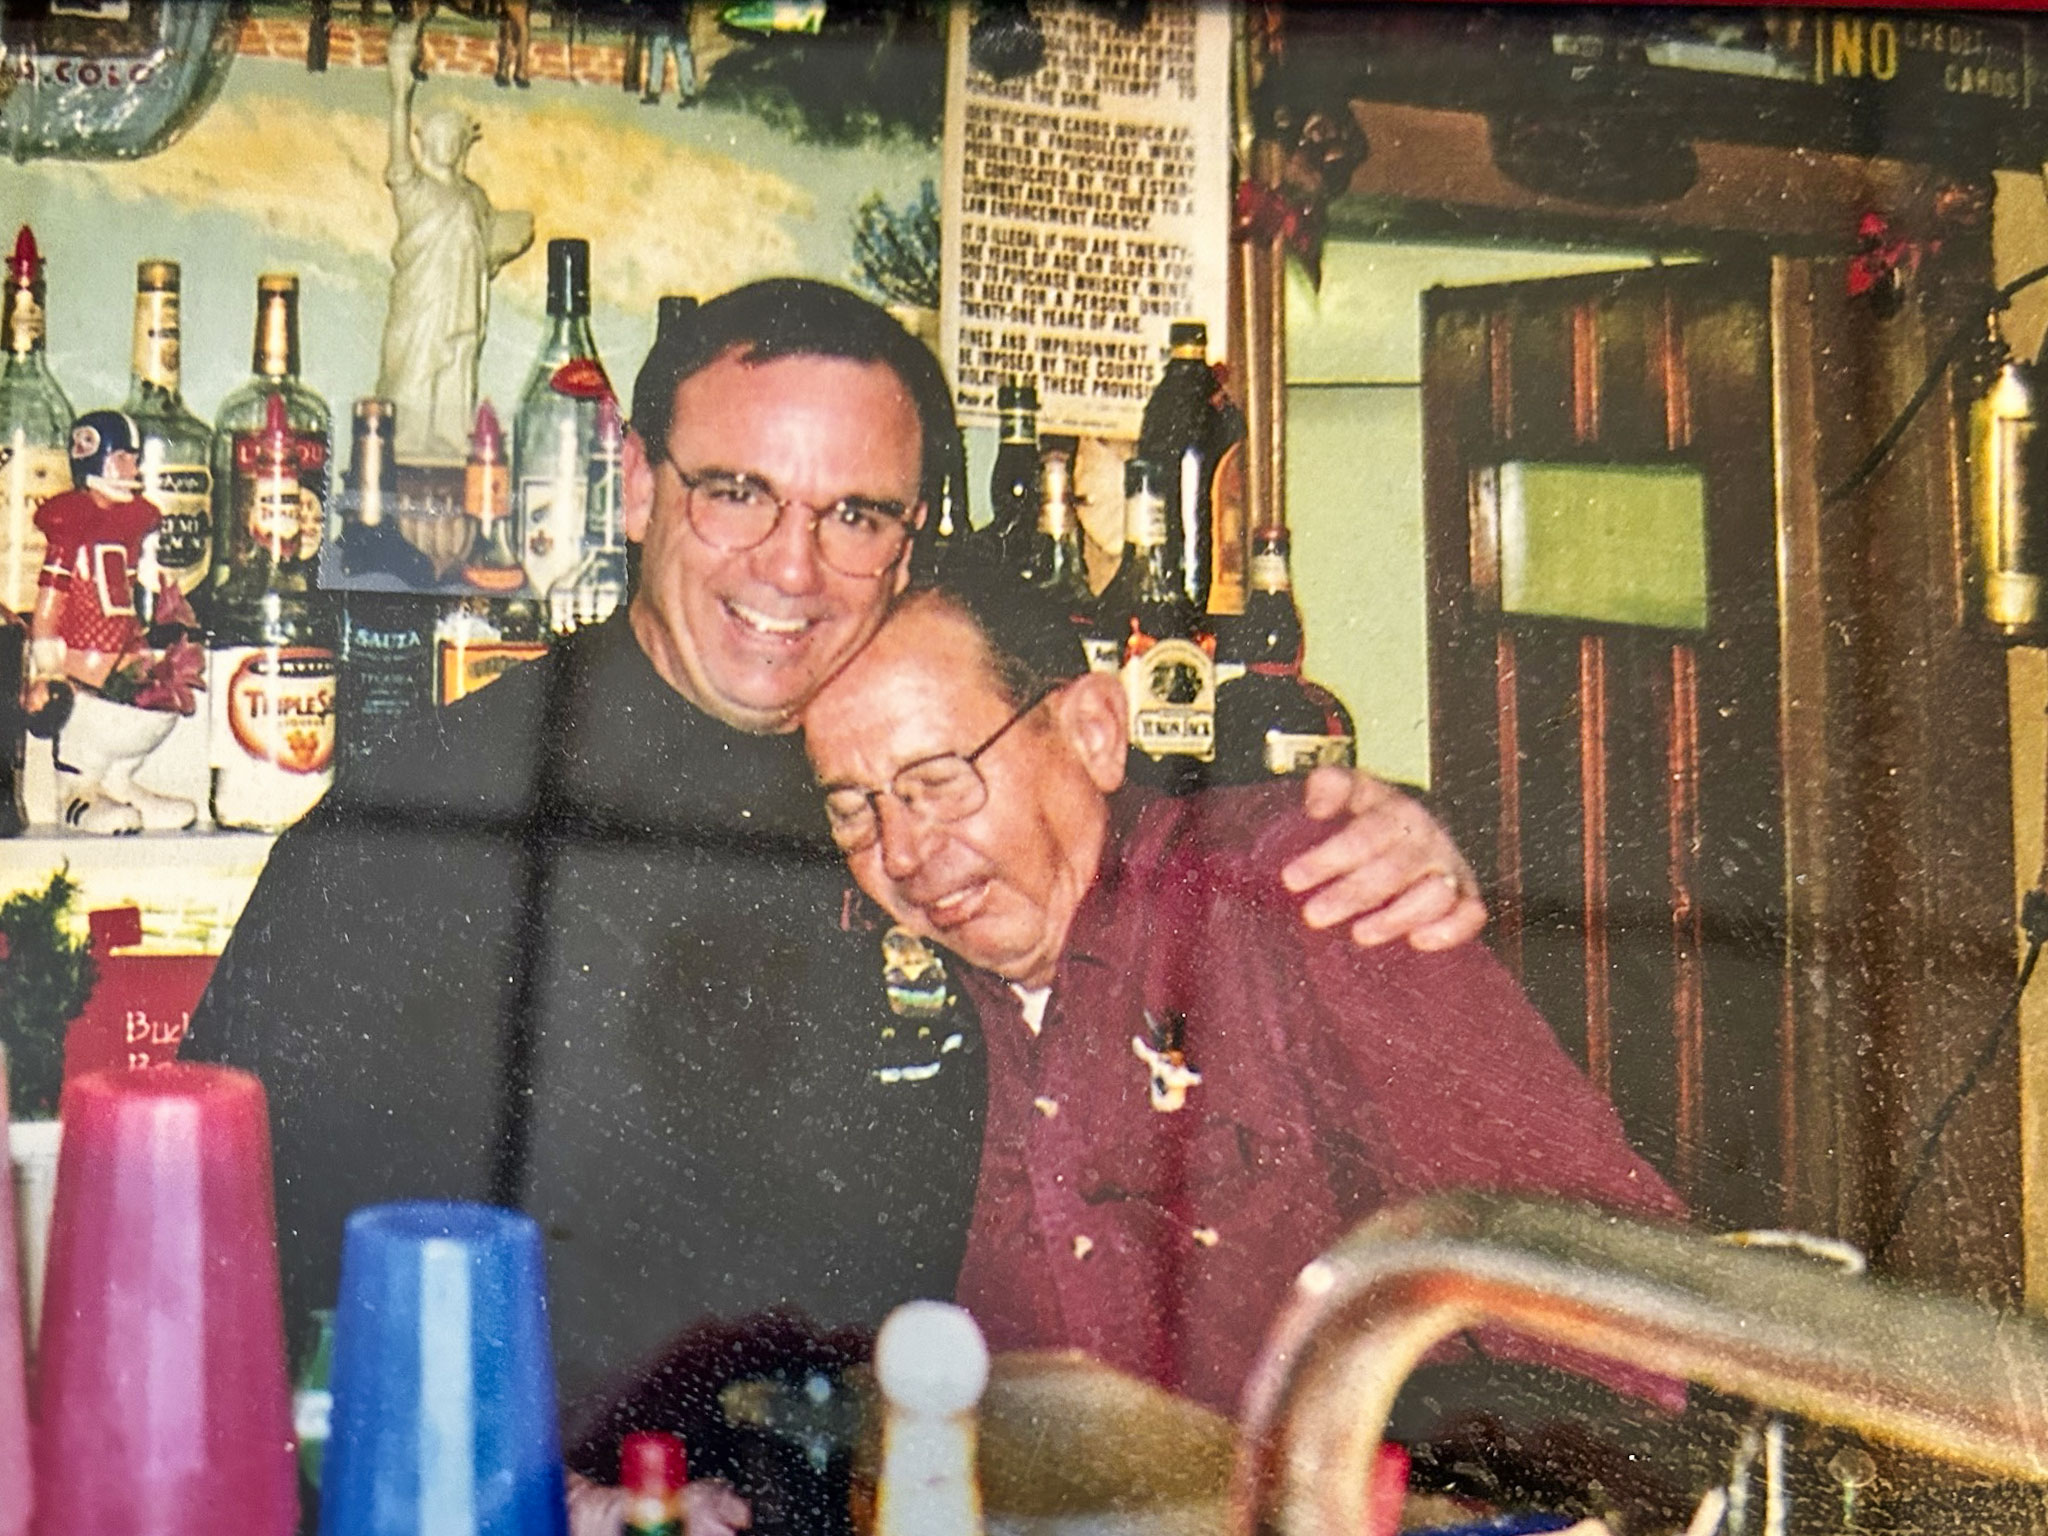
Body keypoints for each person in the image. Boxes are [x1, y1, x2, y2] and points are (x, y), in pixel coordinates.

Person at [186, 280, 1481, 1521]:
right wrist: (525, 1497)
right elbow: (223, 1277)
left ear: (910, 538)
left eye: (855, 515)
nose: (792, 568)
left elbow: (1142, 851)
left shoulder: (933, 793)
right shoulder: (425, 823)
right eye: (736, 493)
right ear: (635, 485)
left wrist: (1374, 831)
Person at [801, 574, 1687, 1417]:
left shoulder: (1301, 892)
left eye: (939, 784)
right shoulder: (928, 1015)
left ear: (1094, 732)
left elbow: (1618, 1309)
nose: (902, 853)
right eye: (853, 810)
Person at [22, 409, 200, 833]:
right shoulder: (72, 522)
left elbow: (127, 584)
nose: (132, 469)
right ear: (94, 458)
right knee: (88, 725)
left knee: (149, 710)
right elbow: (51, 597)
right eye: (122, 458)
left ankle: (118, 783)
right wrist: (47, 663)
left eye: (133, 459)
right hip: (82, 652)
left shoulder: (128, 521)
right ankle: (76, 792)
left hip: (121, 645)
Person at [379, 13, 535, 461]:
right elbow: (398, 154)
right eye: (439, 136)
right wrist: (400, 93)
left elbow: (487, 246)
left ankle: (448, 441)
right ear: (425, 141)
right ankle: (409, 443)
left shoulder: (473, 196)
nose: (447, 144)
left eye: (454, 137)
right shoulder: (416, 188)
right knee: (415, 366)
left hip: (464, 303)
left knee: (459, 361)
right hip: (422, 303)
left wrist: (504, 242)